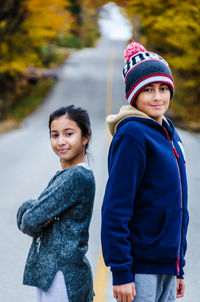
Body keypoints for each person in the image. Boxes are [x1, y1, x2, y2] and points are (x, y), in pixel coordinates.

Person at [101, 40, 189, 302]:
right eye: (148, 89)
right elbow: (116, 206)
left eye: (163, 88)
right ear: (134, 94)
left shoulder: (169, 133)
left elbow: (179, 205)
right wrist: (121, 272)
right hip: (140, 266)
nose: (158, 96)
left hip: (167, 265)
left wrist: (179, 267)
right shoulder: (133, 135)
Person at [17, 105, 95, 302]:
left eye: (68, 134)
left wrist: (31, 211)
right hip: (55, 272)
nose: (61, 141)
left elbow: (30, 220)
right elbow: (33, 217)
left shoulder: (75, 177)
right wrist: (32, 210)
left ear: (85, 137)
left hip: (63, 275)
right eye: (54, 135)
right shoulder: (66, 175)